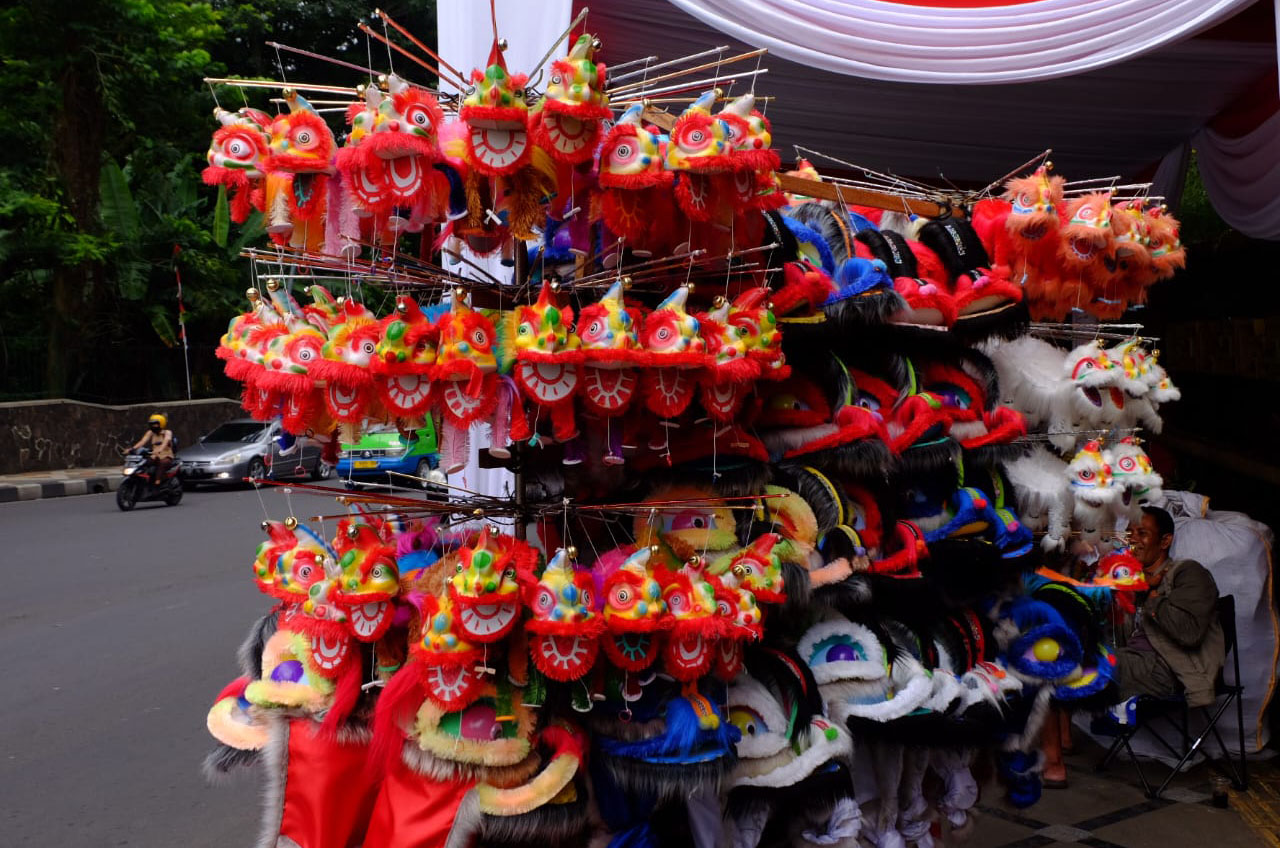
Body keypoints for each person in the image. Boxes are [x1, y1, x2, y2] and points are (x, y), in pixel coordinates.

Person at [1114, 505, 1225, 707]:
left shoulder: (1188, 572)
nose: (1133, 539)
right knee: (1060, 660)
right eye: (1129, 534)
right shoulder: (1130, 583)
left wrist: (1151, 594)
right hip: (1133, 663)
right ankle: (1063, 739)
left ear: (1165, 541)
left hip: (1169, 671)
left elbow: (1189, 633)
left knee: (1075, 665)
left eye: (1142, 533)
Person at [132, 413, 175, 477]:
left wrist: (160, 450)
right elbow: (143, 441)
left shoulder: (167, 432)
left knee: (162, 463)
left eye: (155, 424)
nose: (153, 426)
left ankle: (157, 482)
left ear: (161, 424)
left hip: (166, 456)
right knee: (144, 463)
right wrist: (132, 449)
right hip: (154, 455)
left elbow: (166, 441)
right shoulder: (150, 432)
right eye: (152, 425)